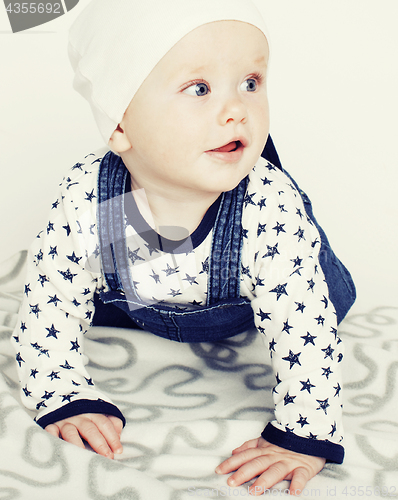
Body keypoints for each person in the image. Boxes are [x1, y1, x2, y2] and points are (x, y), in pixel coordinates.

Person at [11, 0, 356, 495]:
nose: (237, 108)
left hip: (267, 305)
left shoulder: (267, 203)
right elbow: (50, 304)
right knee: (81, 282)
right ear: (119, 124)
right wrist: (62, 393)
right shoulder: (88, 194)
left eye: (251, 83)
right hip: (145, 303)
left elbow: (305, 329)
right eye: (199, 88)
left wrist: (304, 433)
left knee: (311, 310)